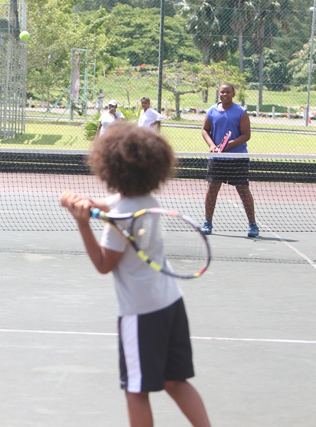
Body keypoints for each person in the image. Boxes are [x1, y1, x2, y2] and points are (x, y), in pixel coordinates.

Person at [60, 122, 211, 427]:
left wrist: (82, 224)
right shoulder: (145, 202)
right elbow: (108, 204)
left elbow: (104, 265)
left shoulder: (123, 217)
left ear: (110, 167)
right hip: (170, 304)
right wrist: (84, 203)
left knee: (135, 392)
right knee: (175, 381)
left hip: (141, 315)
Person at [201, 83, 258, 237]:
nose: (224, 94)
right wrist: (213, 145)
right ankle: (207, 222)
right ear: (218, 93)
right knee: (212, 189)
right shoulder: (212, 111)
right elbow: (205, 130)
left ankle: (253, 225)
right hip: (217, 158)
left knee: (243, 190)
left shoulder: (240, 112)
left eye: (228, 92)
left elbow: (246, 135)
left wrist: (228, 145)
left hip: (237, 158)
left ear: (233, 94)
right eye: (222, 92)